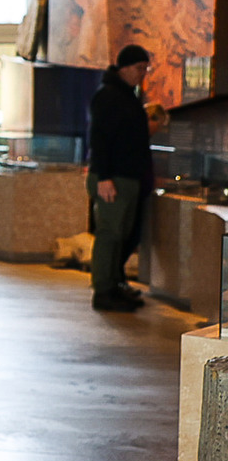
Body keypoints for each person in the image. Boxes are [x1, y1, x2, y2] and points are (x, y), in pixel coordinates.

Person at [87, 43, 154, 311]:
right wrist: (103, 176)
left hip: (127, 177)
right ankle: (102, 291)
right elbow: (100, 138)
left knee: (121, 234)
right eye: (139, 68)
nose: (143, 73)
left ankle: (115, 285)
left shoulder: (127, 95)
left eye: (145, 68)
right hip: (112, 177)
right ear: (124, 68)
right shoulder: (109, 95)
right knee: (110, 234)